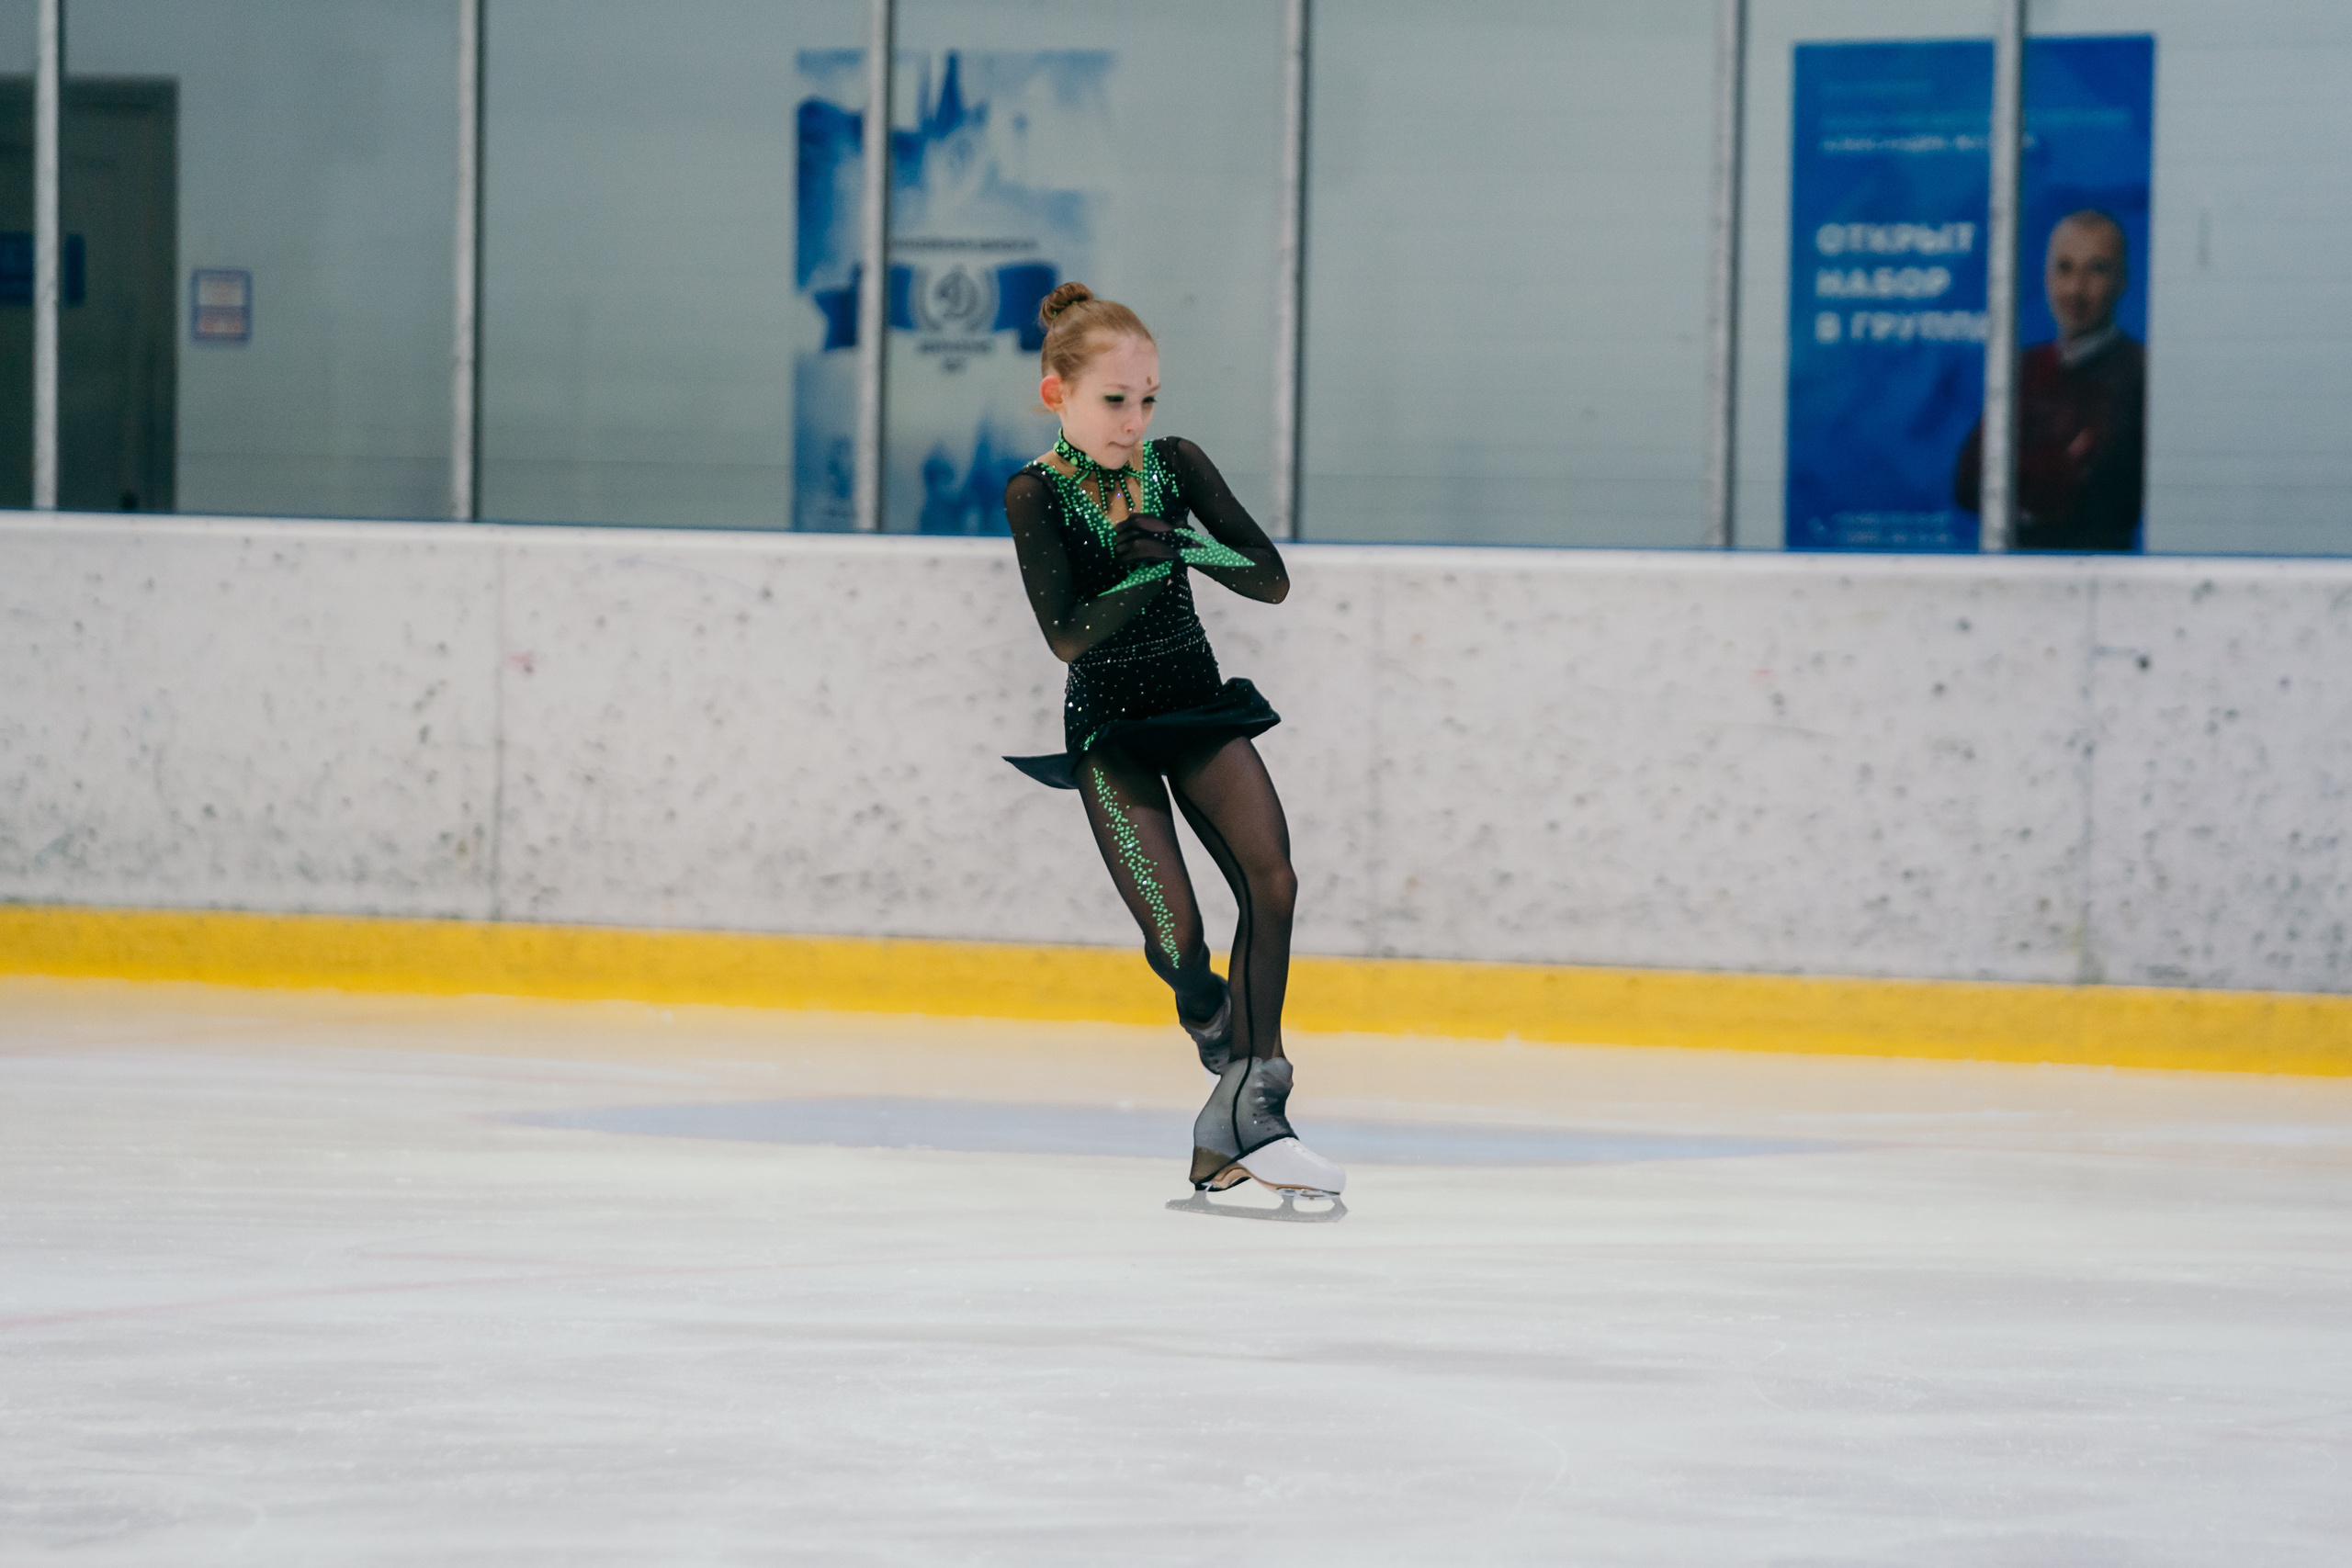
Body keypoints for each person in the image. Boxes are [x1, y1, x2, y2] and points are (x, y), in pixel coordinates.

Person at [1001, 282, 1345, 1201]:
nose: (1133, 419)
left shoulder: (1175, 466)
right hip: (1110, 735)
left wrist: (1185, 548)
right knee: (1178, 932)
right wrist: (1145, 567)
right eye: (1115, 401)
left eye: (1147, 399)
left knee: (1273, 878)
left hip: (1195, 711)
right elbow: (1067, 635)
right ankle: (1206, 1020)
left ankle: (1255, 1098)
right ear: (1057, 396)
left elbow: (1267, 580)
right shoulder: (1035, 493)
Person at [1954, 209, 2147, 551]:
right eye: (2065, 268)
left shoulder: (2139, 373)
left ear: (2122, 280)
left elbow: (2090, 497)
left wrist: (2028, 471)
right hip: (2018, 573)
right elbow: (1969, 482)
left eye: (2096, 270)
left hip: (2103, 575)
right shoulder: (2024, 367)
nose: (2076, 289)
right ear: (2046, 278)